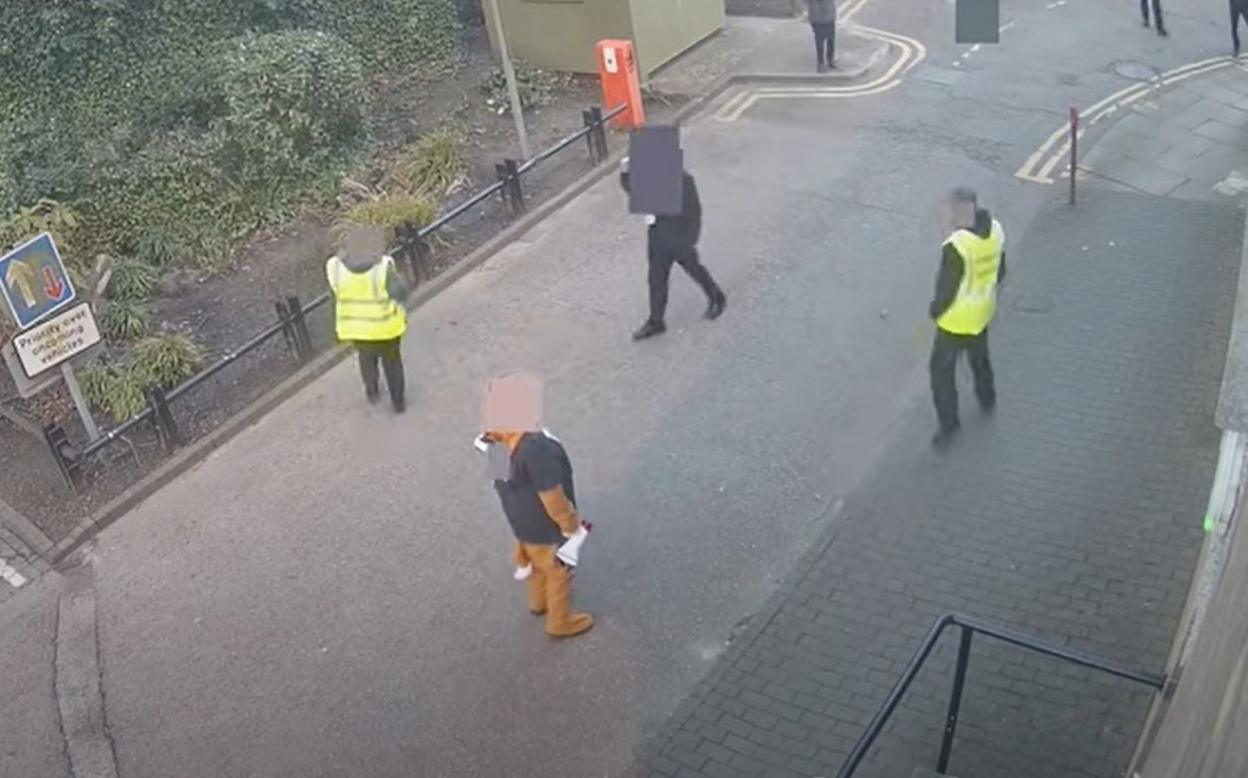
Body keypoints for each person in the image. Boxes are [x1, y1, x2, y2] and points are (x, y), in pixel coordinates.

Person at [481, 372, 594, 639]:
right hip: (545, 525)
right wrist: (569, 525)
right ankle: (560, 621)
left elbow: (500, 484)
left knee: (534, 565)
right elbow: (551, 495)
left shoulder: (495, 442)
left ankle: (537, 602)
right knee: (558, 571)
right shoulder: (536, 449)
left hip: (521, 523)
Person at [928, 187, 1006, 451]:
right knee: (979, 358)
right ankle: (987, 398)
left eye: (952, 208)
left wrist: (936, 310)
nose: (949, 214)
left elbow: (946, 289)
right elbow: (1000, 271)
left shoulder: (957, 246)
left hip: (955, 321)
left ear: (962, 209)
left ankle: (949, 425)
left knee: (941, 374)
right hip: (983, 312)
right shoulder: (995, 230)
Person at [620, 157, 727, 341]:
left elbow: (694, 212)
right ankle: (656, 322)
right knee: (656, 279)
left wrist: (690, 240)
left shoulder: (683, 181)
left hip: (679, 238)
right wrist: (625, 173)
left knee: (695, 270)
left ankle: (716, 296)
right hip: (657, 236)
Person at [325, 225, 409, 413]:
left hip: (356, 328)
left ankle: (372, 392)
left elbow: (335, 296)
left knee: (366, 360)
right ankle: (398, 402)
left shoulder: (335, 267)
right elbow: (401, 293)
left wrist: (335, 330)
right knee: (393, 364)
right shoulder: (383, 267)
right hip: (387, 327)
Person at [806, 0, 838, 72]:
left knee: (831, 40)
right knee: (820, 42)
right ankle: (820, 63)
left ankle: (830, 59)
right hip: (817, 18)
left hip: (829, 16)